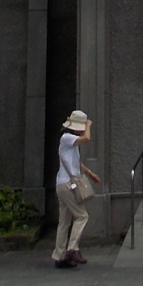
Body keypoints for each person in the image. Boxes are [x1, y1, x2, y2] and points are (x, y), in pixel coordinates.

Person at [53, 109, 101, 268]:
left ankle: (60, 256)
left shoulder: (69, 142)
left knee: (64, 221)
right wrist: (88, 125)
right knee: (82, 216)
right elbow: (87, 138)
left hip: (63, 183)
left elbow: (76, 163)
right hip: (67, 184)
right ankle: (72, 249)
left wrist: (90, 174)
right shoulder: (67, 137)